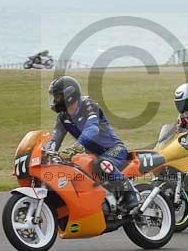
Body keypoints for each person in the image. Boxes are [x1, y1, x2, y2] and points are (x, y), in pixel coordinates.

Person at [46, 76, 139, 212]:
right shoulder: (63, 117)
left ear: (69, 95)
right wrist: (47, 151)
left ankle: (130, 193)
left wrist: (76, 147)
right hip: (92, 155)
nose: (55, 100)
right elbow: (55, 138)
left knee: (100, 164)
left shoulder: (89, 105)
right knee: (73, 169)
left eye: (58, 96)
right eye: (54, 96)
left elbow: (92, 128)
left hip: (115, 149)